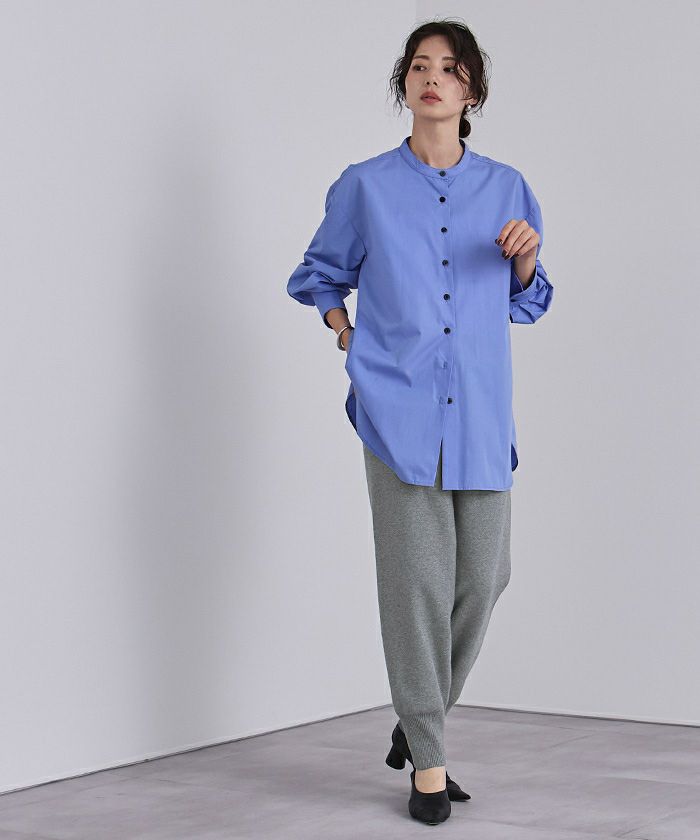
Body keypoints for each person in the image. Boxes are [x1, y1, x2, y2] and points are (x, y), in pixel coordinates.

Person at [287, 17, 554, 826]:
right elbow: (319, 273)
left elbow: (528, 301)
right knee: (416, 588)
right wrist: (346, 335)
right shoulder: (364, 186)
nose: (432, 77)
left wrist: (525, 261)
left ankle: (416, 718)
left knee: (485, 576)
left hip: (480, 412)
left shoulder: (507, 188)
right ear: (405, 84)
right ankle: (429, 765)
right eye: (419, 65)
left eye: (450, 67)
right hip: (397, 410)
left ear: (472, 90)